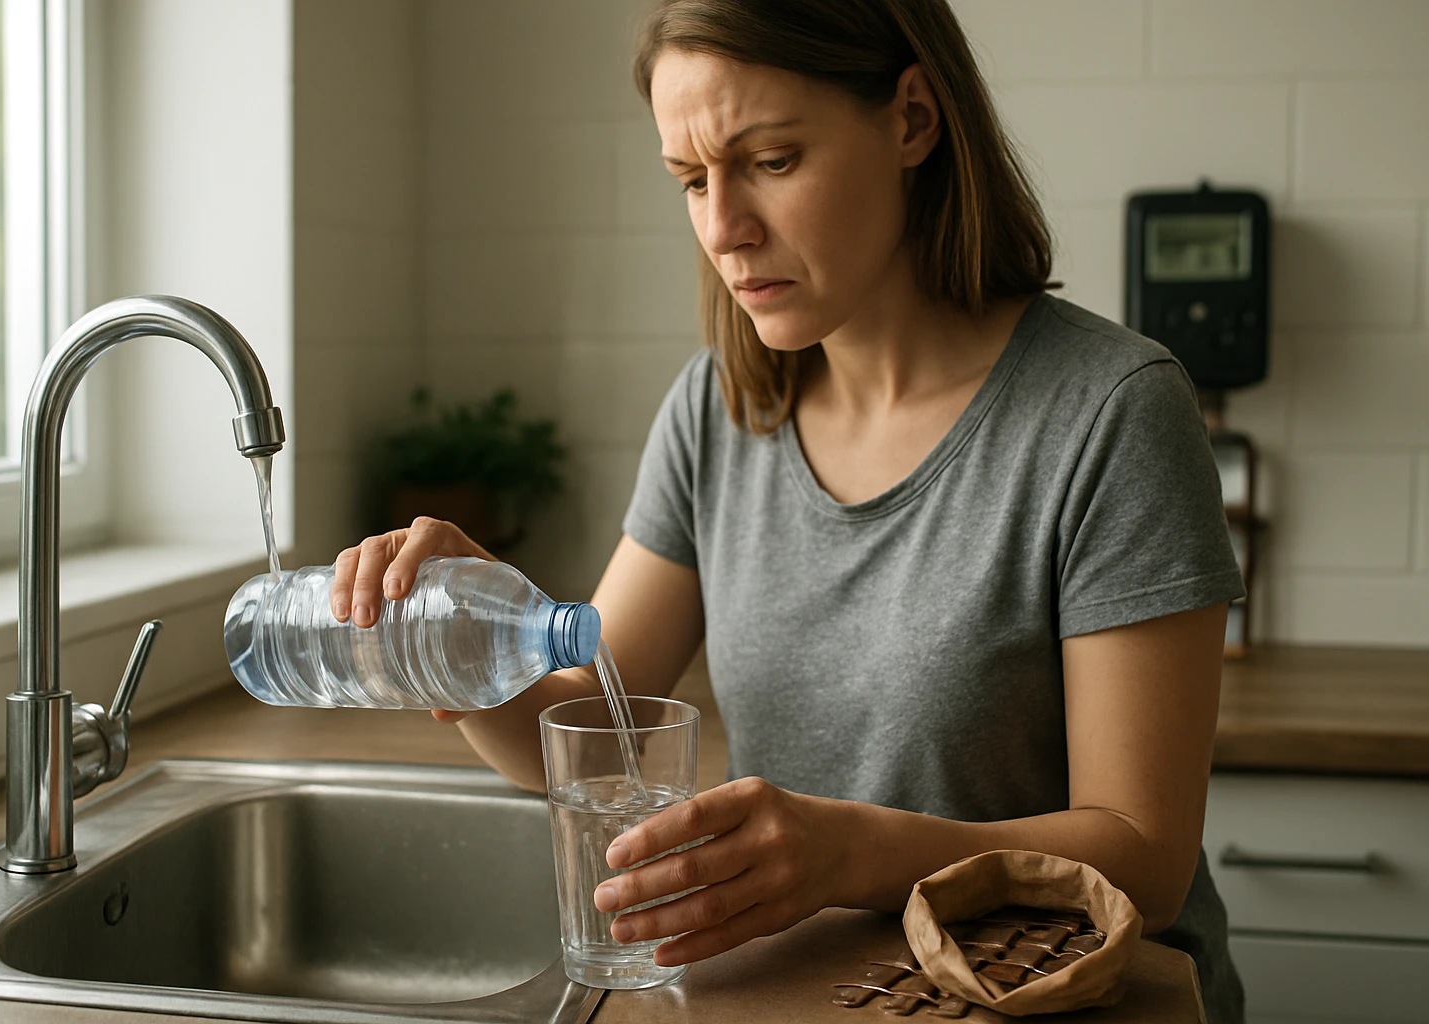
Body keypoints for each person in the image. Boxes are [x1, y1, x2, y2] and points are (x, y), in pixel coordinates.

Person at [330, 2, 1244, 1020]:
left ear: (912, 120)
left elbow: (1142, 856)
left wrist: (843, 851)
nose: (724, 228)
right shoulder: (720, 408)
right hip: (835, 998)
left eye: (769, 160)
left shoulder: (1110, 411)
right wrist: (459, 641)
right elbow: (588, 723)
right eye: (690, 180)